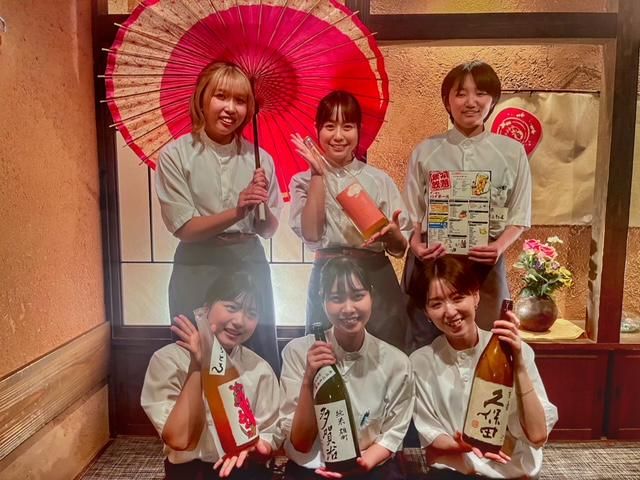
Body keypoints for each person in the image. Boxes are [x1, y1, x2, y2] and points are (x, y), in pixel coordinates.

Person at [156, 61, 283, 371]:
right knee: (196, 357)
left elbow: (267, 230)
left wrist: (260, 204)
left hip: (248, 263)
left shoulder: (260, 159)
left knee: (256, 358)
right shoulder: (175, 155)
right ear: (202, 98)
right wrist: (238, 211)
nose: (230, 108)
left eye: (240, 100)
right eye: (221, 96)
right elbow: (184, 228)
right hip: (197, 265)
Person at [403, 60, 532, 348]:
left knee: (487, 344)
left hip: (484, 265)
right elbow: (412, 213)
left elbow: (520, 215)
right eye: (461, 93)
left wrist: (498, 247)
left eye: (480, 93)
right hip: (432, 263)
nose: (471, 102)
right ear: (447, 101)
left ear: (493, 100)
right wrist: (416, 245)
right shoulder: (426, 151)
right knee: (424, 344)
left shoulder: (512, 152)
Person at [410, 256, 557, 479]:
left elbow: (538, 436)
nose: (450, 311)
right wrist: (462, 445)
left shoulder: (514, 350)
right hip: (456, 469)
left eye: (458, 298)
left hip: (512, 471)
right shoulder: (420, 362)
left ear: (476, 296)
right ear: (426, 312)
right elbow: (430, 433)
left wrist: (518, 364)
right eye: (436, 304)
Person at [289, 90, 413, 352]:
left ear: (358, 130)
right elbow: (311, 235)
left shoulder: (379, 180)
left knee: (386, 350)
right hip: (327, 275)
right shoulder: (302, 181)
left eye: (347, 127)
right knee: (325, 353)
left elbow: (400, 249)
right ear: (317, 129)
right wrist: (317, 175)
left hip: (375, 273)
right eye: (329, 126)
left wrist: (393, 235)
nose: (338, 136)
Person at [279, 256, 414, 479]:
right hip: (310, 471)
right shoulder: (297, 351)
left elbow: (393, 432)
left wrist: (364, 464)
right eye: (336, 298)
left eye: (358, 296)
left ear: (371, 296)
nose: (348, 308)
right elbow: (300, 444)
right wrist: (308, 380)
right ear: (322, 300)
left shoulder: (397, 362)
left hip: (370, 468)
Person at [141, 271, 281, 479]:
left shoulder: (259, 368)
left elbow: (271, 435)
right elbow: (179, 439)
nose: (239, 321)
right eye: (231, 308)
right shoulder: (168, 360)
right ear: (206, 309)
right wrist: (197, 367)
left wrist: (261, 447)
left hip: (245, 469)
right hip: (190, 472)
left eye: (251, 314)